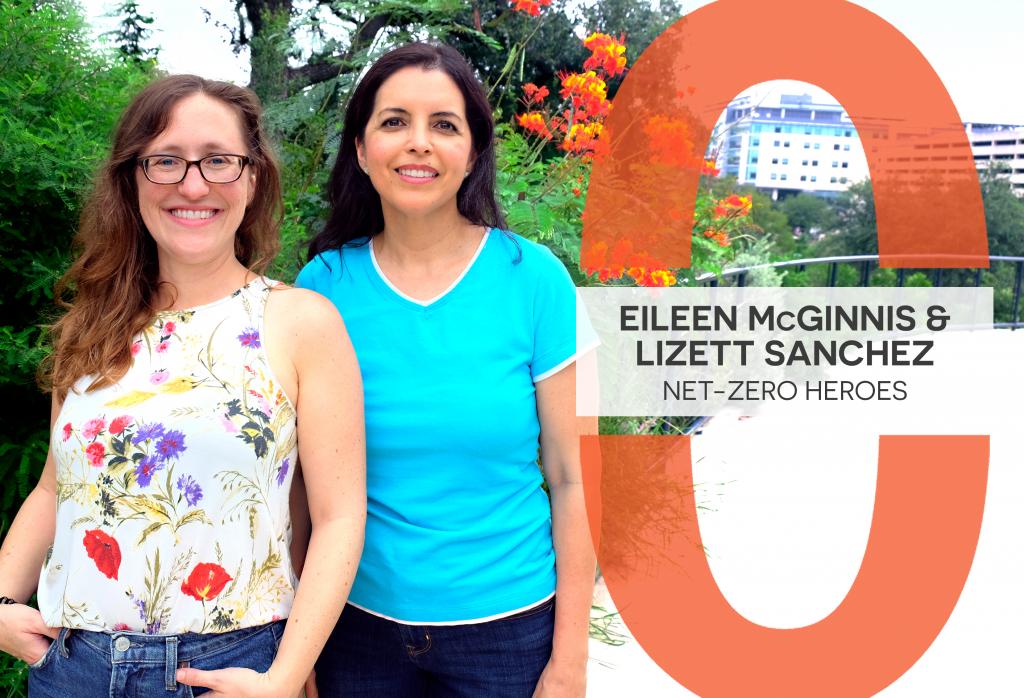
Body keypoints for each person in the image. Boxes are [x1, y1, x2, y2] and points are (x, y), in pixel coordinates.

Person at [0, 74, 365, 697]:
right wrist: (2, 599)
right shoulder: (89, 328)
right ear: (132, 178)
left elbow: (338, 517)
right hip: (72, 668)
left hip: (233, 664)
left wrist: (285, 678)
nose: (193, 185)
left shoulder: (301, 322)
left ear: (253, 179)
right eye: (166, 161)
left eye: (219, 161)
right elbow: (53, 487)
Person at [296, 43, 596, 697]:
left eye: (445, 125)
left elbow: (578, 480)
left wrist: (570, 662)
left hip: (508, 633)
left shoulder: (536, 281)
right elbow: (298, 488)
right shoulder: (322, 287)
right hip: (351, 630)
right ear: (360, 148)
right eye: (395, 121)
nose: (419, 144)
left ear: (473, 152)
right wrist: (297, 649)